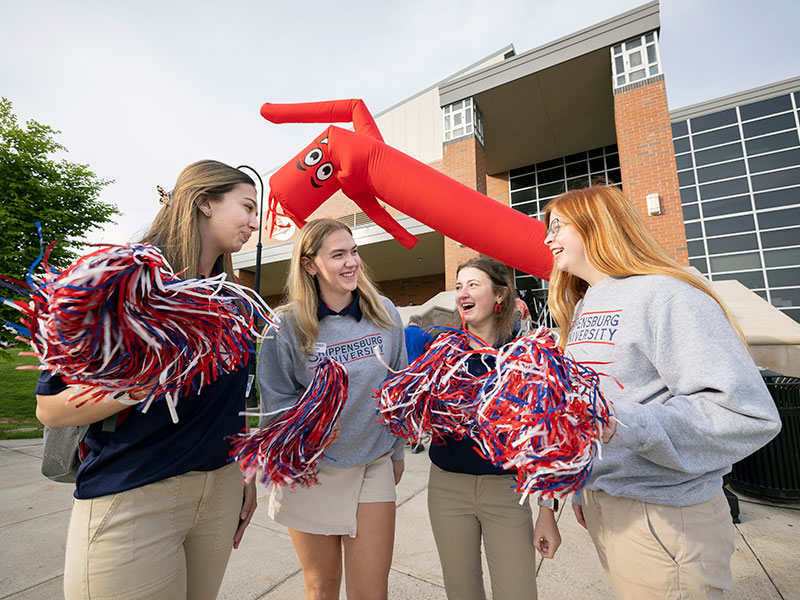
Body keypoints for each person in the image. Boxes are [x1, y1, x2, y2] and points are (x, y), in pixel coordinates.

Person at [35, 160, 260, 600]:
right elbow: (51, 408)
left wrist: (243, 471)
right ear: (204, 203)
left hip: (220, 493)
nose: (255, 222)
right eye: (247, 207)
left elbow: (236, 399)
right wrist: (149, 379)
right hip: (133, 494)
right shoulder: (123, 281)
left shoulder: (237, 301)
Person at [543, 185, 781, 600]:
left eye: (557, 225)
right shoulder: (583, 306)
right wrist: (582, 487)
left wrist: (615, 421)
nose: (547, 239)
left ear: (597, 224)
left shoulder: (666, 293)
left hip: (665, 516)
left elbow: (744, 412)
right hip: (606, 505)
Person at [257, 218, 407, 600]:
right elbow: (274, 403)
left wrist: (399, 451)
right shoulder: (285, 326)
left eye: (353, 252)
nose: (351, 262)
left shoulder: (385, 313)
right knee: (321, 587)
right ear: (310, 265)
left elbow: (399, 388)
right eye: (338, 254)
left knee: (371, 592)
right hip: (312, 470)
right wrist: (307, 424)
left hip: (373, 462)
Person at [427, 255, 561, 600]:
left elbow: (547, 438)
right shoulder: (442, 351)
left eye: (473, 285)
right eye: (458, 286)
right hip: (447, 489)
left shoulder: (526, 356)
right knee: (462, 592)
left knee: (518, 592)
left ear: (500, 295)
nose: (462, 293)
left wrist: (547, 510)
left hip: (507, 493)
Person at [404, 314, 432, 453]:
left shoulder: (401, 333)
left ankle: (408, 437)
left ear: (410, 322)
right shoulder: (425, 335)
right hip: (419, 374)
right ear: (420, 323)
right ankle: (416, 440)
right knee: (418, 407)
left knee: (405, 406)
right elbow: (429, 356)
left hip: (402, 375)